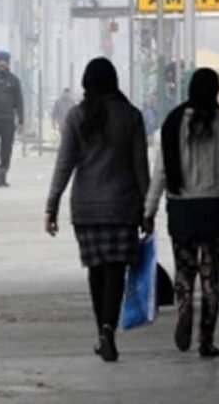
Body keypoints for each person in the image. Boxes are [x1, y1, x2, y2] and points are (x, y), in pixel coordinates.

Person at [44, 58, 149, 362]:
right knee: (116, 270)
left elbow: (64, 164)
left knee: (96, 269)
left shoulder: (77, 116)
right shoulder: (131, 116)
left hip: (86, 209)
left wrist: (52, 205)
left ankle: (101, 330)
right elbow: (140, 167)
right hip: (122, 207)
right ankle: (108, 330)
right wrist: (148, 209)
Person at [145, 68, 219, 359]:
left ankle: (184, 307)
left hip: (182, 209)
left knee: (184, 269)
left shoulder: (173, 123)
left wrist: (149, 210)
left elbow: (161, 172)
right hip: (216, 208)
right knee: (211, 274)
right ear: (216, 91)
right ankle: (207, 340)